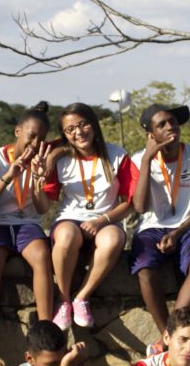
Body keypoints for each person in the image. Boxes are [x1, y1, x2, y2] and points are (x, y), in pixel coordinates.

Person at [0, 102, 57, 366]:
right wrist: (8, 177)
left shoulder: (42, 160)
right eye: (31, 136)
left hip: (26, 225)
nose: (35, 143)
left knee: (43, 258)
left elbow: (43, 209)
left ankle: (47, 339)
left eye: (41, 138)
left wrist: (38, 180)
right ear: (17, 131)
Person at [127, 104, 190, 356]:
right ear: (150, 133)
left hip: (189, 226)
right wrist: (147, 159)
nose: (170, 127)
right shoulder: (137, 160)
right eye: (162, 125)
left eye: (173, 122)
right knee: (144, 269)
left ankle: (169, 336)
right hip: (152, 227)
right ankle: (171, 336)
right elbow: (140, 205)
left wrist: (177, 233)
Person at [39, 103, 134, 331]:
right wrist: (48, 162)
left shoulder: (117, 155)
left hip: (105, 219)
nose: (78, 132)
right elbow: (44, 204)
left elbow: (130, 203)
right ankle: (63, 299)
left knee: (113, 240)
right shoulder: (61, 158)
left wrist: (102, 220)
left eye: (82, 124)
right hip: (70, 218)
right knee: (66, 236)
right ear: (64, 134)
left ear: (93, 124)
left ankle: (81, 296)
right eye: (70, 129)